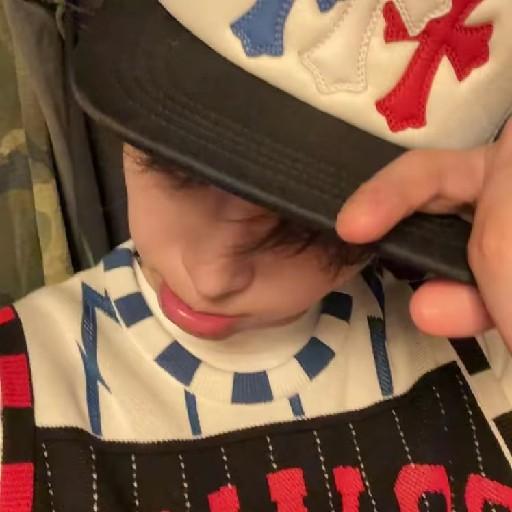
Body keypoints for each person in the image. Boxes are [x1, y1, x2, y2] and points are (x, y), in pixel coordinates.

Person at [0, 0, 511, 510]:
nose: (210, 278)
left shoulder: (491, 339)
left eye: (303, 225)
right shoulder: (18, 385)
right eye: (178, 170)